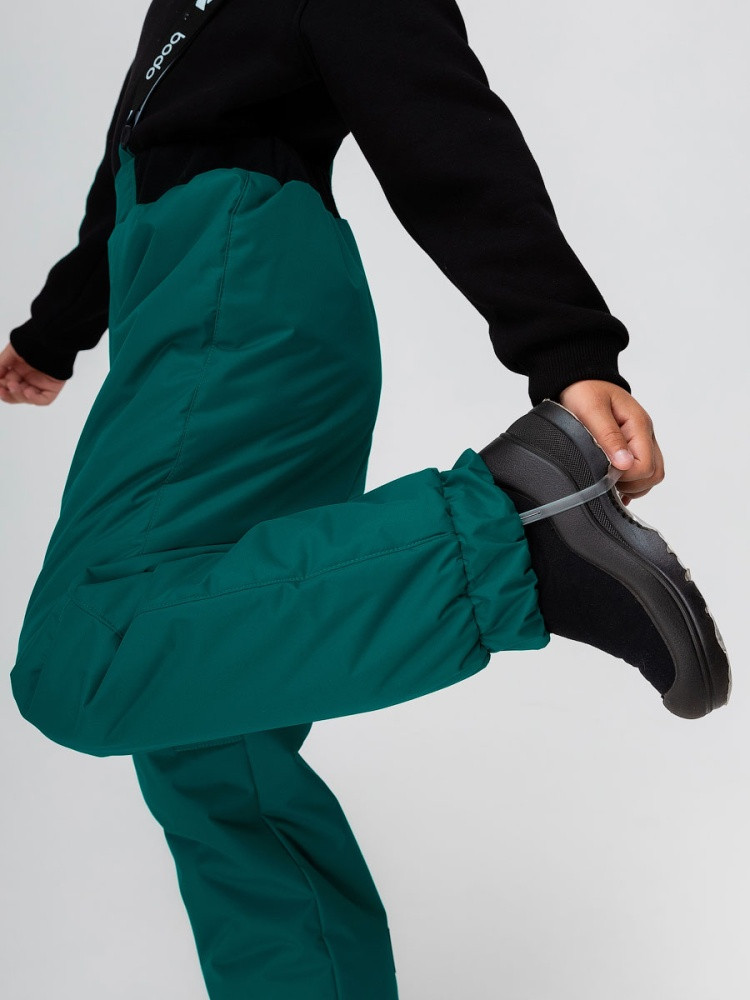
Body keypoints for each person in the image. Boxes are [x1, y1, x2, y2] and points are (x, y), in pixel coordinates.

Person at [4, 0, 728, 996]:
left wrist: (566, 347)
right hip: (180, 315)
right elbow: (135, 159)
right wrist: (54, 331)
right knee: (207, 741)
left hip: (232, 304)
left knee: (85, 659)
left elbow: (435, 118)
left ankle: (515, 531)